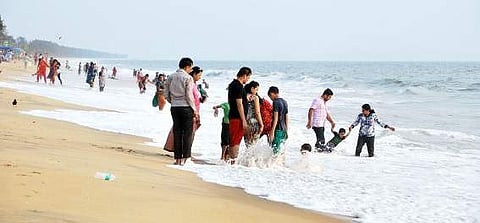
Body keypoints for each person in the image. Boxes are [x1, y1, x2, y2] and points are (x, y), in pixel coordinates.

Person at [164, 57, 196, 165]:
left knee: (177, 132)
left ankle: (177, 159)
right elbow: (189, 95)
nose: (191, 70)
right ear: (187, 66)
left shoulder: (171, 76)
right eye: (190, 67)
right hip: (186, 107)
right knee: (187, 134)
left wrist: (172, 101)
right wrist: (194, 109)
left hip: (174, 107)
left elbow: (166, 93)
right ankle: (185, 159)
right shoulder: (188, 78)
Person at [227, 67, 252, 162]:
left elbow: (232, 101)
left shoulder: (232, 84)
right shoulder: (239, 86)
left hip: (233, 115)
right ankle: (233, 162)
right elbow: (239, 104)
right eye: (248, 77)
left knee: (234, 140)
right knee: (235, 141)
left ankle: (231, 161)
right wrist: (244, 120)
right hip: (237, 117)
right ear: (244, 75)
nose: (248, 80)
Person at [268, 86, 288, 155]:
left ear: (272, 93)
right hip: (283, 130)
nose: (271, 99)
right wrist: (286, 130)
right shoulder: (285, 102)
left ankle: (273, 165)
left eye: (270, 96)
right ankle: (280, 165)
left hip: (278, 130)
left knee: (275, 150)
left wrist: (272, 131)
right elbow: (286, 117)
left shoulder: (275, 102)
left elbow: (276, 118)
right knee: (281, 151)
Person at [244, 81, 263, 148]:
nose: (257, 91)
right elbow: (257, 113)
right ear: (252, 88)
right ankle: (253, 158)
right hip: (253, 122)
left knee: (248, 144)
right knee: (254, 145)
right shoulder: (255, 97)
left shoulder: (244, 97)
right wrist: (261, 124)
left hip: (245, 122)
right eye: (256, 89)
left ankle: (248, 158)